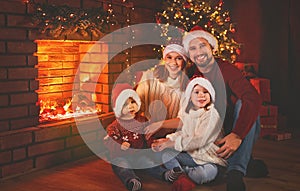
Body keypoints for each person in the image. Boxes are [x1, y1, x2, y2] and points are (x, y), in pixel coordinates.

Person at [145, 26, 266, 191]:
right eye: (193, 48)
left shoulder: (225, 69)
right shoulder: (192, 76)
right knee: (162, 153)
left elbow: (252, 97)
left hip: (229, 129)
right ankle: (226, 165)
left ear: (211, 48)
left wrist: (236, 135)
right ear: (189, 55)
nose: (198, 51)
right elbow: (188, 117)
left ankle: (235, 172)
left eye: (203, 45)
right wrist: (162, 128)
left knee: (244, 104)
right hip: (207, 132)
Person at [151, 77, 227, 191]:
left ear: (211, 95)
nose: (201, 95)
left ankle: (182, 172)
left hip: (208, 158)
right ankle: (181, 175)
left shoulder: (212, 115)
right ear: (190, 97)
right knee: (164, 154)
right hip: (191, 155)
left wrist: (170, 144)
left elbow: (199, 140)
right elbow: (183, 133)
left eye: (205, 92)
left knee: (201, 175)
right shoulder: (189, 113)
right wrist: (166, 140)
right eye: (196, 92)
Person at [103, 83, 184, 191]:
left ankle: (165, 175)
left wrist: (151, 144)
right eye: (125, 104)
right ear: (119, 108)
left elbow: (147, 135)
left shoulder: (142, 120)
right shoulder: (115, 126)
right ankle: (131, 180)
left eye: (133, 102)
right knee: (122, 166)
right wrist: (120, 145)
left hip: (138, 154)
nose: (131, 106)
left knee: (149, 163)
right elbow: (110, 142)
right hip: (122, 156)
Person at [135, 43, 189, 138]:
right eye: (169, 57)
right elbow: (136, 105)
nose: (173, 62)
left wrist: (160, 124)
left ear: (184, 61)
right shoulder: (149, 77)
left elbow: (185, 120)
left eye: (178, 58)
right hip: (147, 131)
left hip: (173, 136)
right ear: (164, 59)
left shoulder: (188, 87)